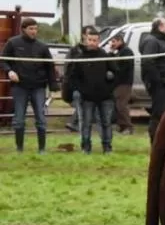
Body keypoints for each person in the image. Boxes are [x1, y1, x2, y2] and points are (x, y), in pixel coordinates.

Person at [0, 17, 56, 153]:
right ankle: (19, 149)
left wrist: (53, 88)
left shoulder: (42, 46)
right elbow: (3, 60)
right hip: (20, 87)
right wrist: (10, 71)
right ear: (23, 29)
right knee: (19, 119)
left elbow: (50, 67)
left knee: (41, 119)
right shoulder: (13, 43)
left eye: (36, 28)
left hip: (38, 86)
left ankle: (42, 149)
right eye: (31, 29)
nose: (34, 31)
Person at [68, 26, 117, 155]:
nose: (92, 43)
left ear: (98, 40)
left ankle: (107, 147)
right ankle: (86, 147)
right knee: (86, 123)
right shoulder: (80, 58)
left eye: (95, 40)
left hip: (105, 96)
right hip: (87, 97)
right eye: (90, 40)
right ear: (85, 39)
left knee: (106, 122)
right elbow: (73, 78)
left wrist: (109, 86)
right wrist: (82, 90)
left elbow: (116, 73)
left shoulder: (104, 56)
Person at [108, 32, 134, 135]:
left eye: (114, 42)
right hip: (119, 83)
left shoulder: (126, 52)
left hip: (124, 83)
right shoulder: (119, 52)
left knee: (121, 105)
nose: (112, 44)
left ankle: (128, 126)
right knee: (118, 105)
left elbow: (120, 68)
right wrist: (111, 53)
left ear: (120, 41)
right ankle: (122, 126)